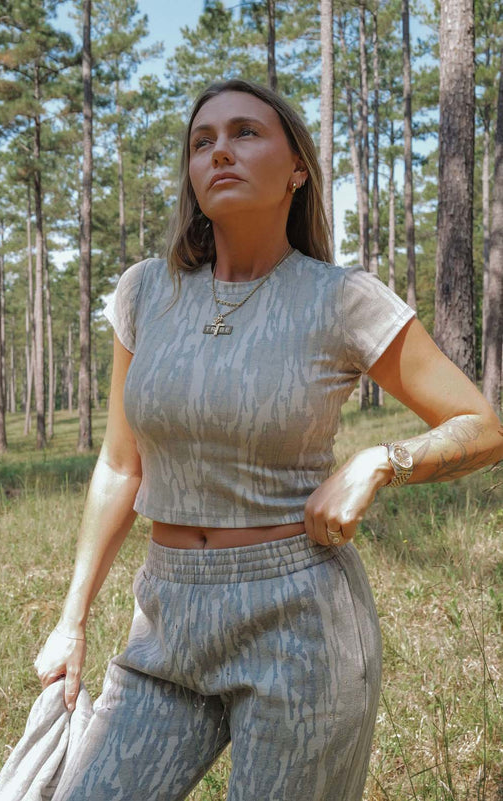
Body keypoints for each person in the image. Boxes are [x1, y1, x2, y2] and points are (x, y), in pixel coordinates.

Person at [34, 79, 503, 801]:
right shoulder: (145, 292)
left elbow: (483, 426)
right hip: (163, 618)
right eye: (202, 142)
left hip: (300, 625)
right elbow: (120, 466)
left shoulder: (340, 297)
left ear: (298, 171)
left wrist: (381, 460)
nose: (219, 150)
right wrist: (72, 620)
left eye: (245, 132)